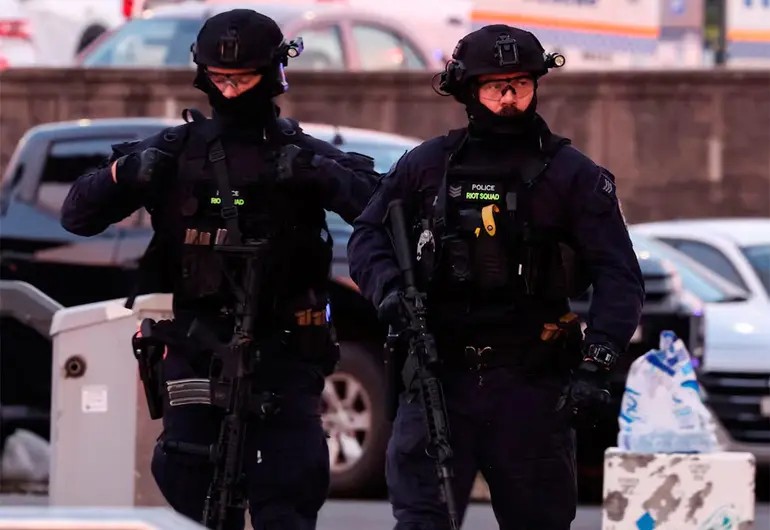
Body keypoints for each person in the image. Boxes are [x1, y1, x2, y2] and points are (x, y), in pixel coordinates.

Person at [60, 9, 379, 530]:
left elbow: (380, 208)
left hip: (285, 348)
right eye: (220, 78)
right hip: (198, 346)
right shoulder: (176, 152)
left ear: (271, 75)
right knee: (189, 485)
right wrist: (123, 173)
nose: (230, 91)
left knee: (289, 491)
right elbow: (77, 215)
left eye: (243, 79)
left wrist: (321, 175)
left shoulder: (300, 153)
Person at [347, 25, 645, 530]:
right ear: (467, 91)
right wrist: (389, 292)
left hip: (530, 384)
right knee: (421, 520)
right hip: (439, 374)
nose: (508, 99)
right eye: (494, 87)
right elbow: (368, 234)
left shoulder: (572, 175)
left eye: (520, 85)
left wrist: (598, 361)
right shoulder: (427, 166)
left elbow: (620, 276)